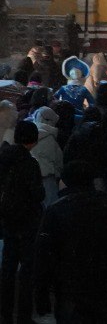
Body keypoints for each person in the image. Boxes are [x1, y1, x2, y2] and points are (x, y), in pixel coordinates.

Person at [32, 161, 107, 323]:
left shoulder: (57, 210)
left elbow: (43, 257)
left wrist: (41, 294)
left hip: (70, 288)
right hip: (104, 285)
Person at [0, 121, 44, 324]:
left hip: (6, 219)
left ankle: (5, 314)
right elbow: (38, 194)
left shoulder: (3, 157)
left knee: (7, 269)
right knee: (26, 271)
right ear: (33, 140)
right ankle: (24, 316)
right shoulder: (29, 163)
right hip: (27, 221)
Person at [30, 107, 61, 208]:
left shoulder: (29, 134)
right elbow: (58, 161)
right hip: (47, 180)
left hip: (30, 179)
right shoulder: (50, 138)